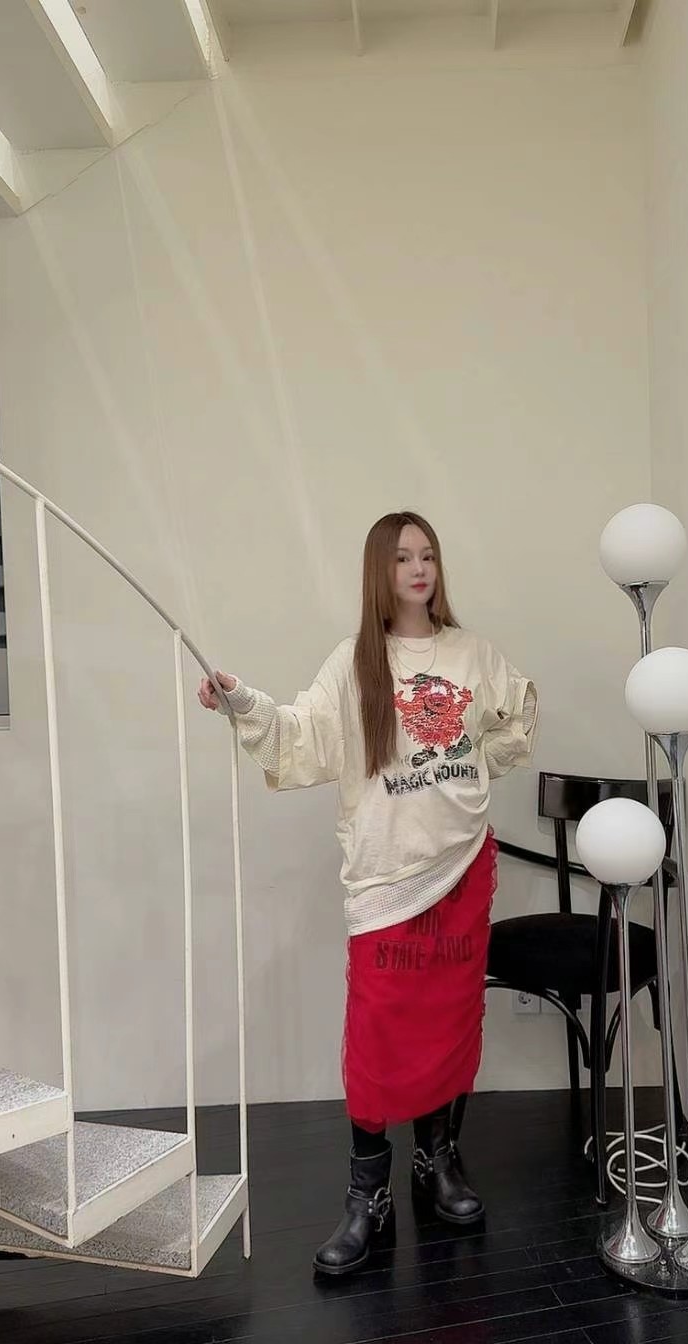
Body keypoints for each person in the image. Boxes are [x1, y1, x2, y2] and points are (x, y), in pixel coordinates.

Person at [198, 511, 538, 1277]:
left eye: (428, 555)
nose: (418, 568)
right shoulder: (354, 664)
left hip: (461, 865)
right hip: (387, 876)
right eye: (402, 557)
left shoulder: (472, 653)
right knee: (379, 1036)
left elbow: (519, 711)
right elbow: (300, 736)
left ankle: (437, 1159)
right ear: (379, 571)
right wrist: (243, 701)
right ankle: (367, 1195)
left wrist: (475, 759)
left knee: (449, 1023)